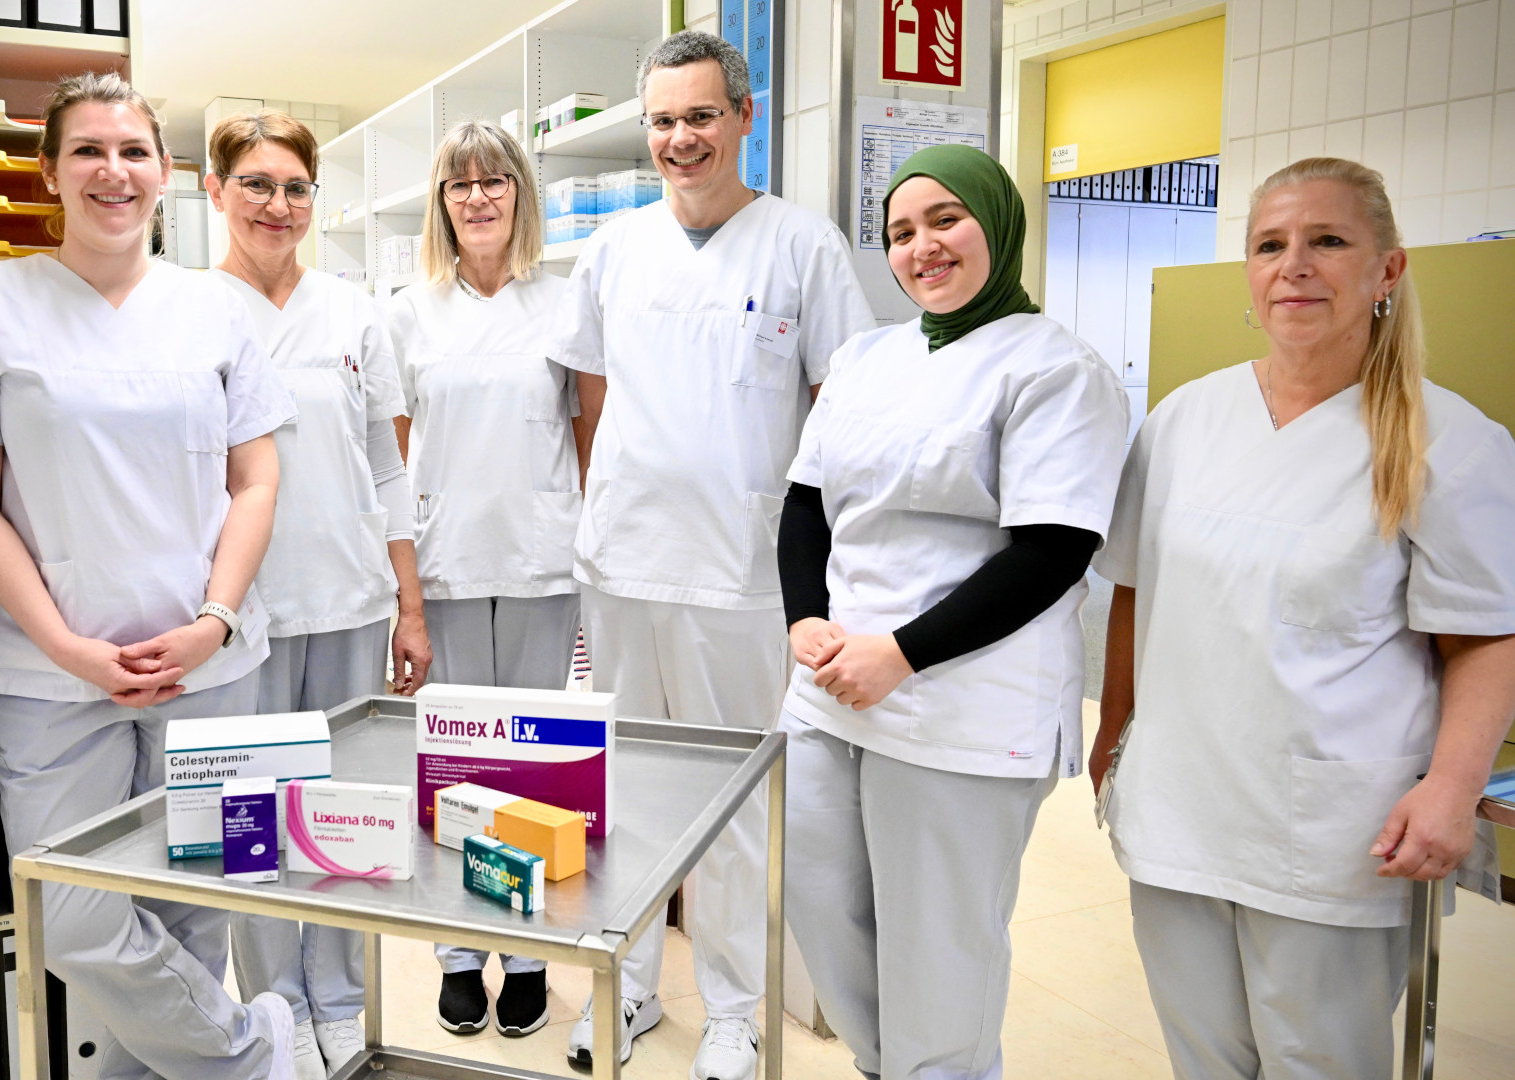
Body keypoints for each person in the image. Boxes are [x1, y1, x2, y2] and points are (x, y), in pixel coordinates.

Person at [1090, 156, 1515, 1079]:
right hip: (1177, 810)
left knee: (1319, 1063)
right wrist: (1113, 735)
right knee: (1204, 1058)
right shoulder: (1182, 421)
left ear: (1387, 272)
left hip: (1334, 833)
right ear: (1248, 271)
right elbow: (1134, 590)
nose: (1296, 265)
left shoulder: (1454, 442)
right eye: (1271, 245)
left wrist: (1451, 789)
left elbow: (1485, 637)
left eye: (1328, 241)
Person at [0, 73, 297, 1080]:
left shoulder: (215, 312)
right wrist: (67, 645)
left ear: (165, 175)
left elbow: (255, 481)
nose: (112, 171)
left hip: (210, 669)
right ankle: (256, 1053)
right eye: (87, 150)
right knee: (78, 923)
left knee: (190, 920)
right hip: (50, 677)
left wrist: (215, 618)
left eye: (133, 151)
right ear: (49, 173)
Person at [550, 29, 876, 1078]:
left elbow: (839, 414)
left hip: (744, 575)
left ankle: (734, 1008)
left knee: (734, 802)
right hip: (624, 568)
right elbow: (589, 410)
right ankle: (629, 983)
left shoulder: (802, 245)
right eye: (662, 120)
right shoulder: (611, 253)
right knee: (624, 790)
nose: (680, 138)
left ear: (744, 119)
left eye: (699, 116)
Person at [774, 143, 1128, 1079]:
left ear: (996, 226)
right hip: (829, 686)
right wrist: (803, 617)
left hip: (963, 705)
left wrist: (902, 652)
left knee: (940, 952)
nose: (922, 247)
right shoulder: (865, 356)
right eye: (900, 232)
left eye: (945, 221)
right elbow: (808, 503)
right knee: (820, 906)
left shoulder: (1057, 369)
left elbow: (1053, 551)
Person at [204, 108, 425, 1079]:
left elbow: (389, 468)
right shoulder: (186, 313)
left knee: (337, 812)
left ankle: (340, 995)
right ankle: (276, 1001)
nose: (277, 204)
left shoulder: (354, 312)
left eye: (295, 187)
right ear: (215, 191)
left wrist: (409, 602)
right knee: (250, 815)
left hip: (349, 597)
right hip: (239, 616)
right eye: (255, 183)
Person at [384, 119, 580, 1039]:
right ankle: (461, 954)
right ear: (441, 203)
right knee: (459, 765)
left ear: (520, 192)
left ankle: (532, 952)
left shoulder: (565, 302)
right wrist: (405, 590)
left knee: (538, 766)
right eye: (459, 184)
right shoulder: (407, 310)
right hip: (448, 563)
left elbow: (592, 437)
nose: (477, 197)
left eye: (494, 179)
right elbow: (394, 461)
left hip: (545, 563)